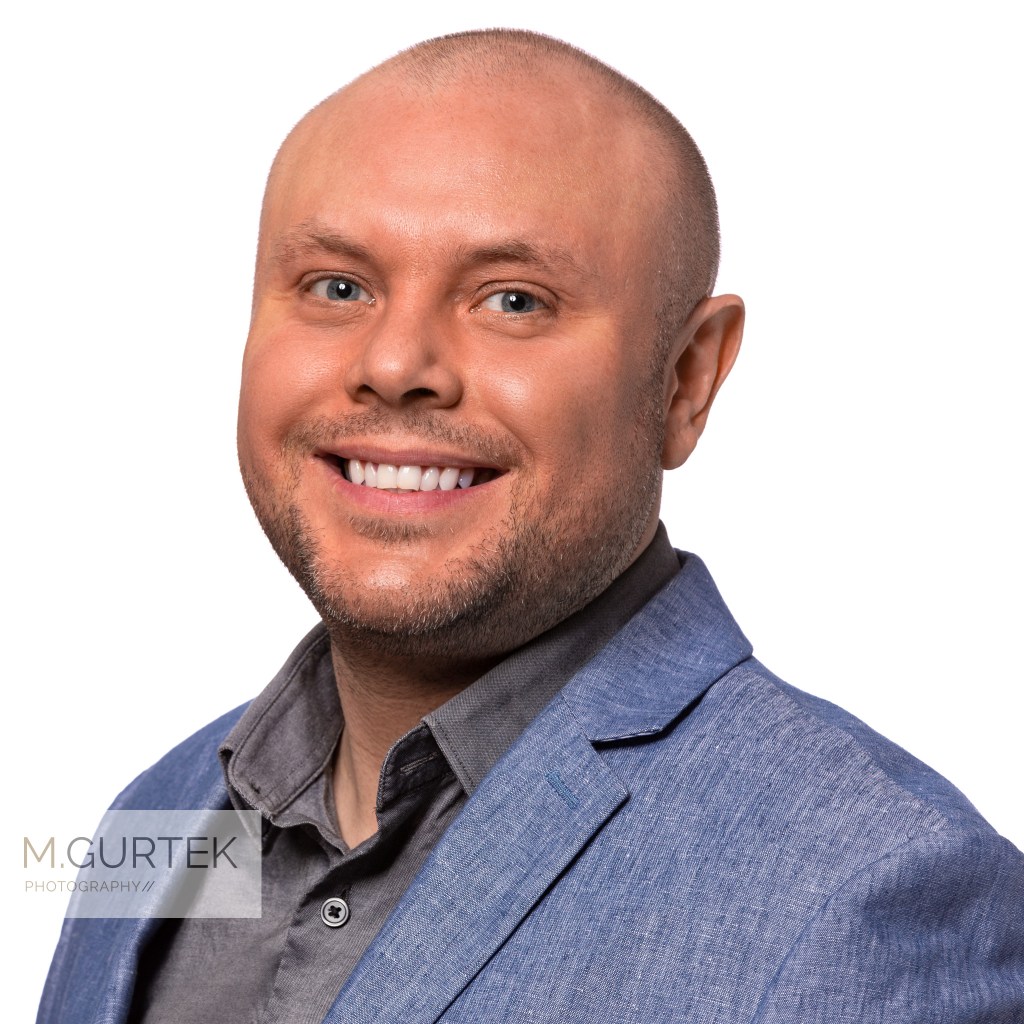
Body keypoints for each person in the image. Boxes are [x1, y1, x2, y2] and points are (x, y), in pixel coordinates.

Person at [37, 28, 1024, 1024]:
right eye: (339, 286)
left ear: (686, 379)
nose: (395, 363)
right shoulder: (154, 822)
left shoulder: (872, 897)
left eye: (513, 300)